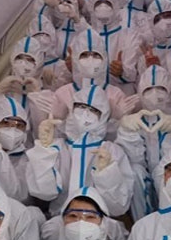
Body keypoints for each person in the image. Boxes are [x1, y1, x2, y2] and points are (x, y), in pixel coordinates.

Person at [30, 84, 134, 216]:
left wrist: (106, 174)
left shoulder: (112, 151)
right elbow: (44, 192)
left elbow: (119, 206)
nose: (85, 114)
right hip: (60, 218)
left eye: (94, 110)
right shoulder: (58, 148)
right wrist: (44, 151)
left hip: (99, 220)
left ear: (104, 116)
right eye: (80, 106)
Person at [116, 65, 171, 218]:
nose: (154, 94)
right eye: (148, 90)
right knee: (135, 172)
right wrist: (127, 131)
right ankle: (143, 222)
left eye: (161, 88)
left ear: (170, 92)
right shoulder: (137, 122)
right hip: (146, 183)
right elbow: (134, 159)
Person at [51, 27, 136, 125]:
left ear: (104, 59)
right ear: (75, 59)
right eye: (84, 55)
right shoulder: (62, 94)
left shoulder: (116, 95)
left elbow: (126, 132)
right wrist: (59, 120)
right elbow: (52, 131)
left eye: (96, 55)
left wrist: (116, 120)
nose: (90, 60)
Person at [85, 0, 143, 95]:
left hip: (123, 95)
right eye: (98, 3)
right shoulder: (87, 37)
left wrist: (122, 72)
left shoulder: (129, 35)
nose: (103, 6)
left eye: (107, 2)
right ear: (92, 7)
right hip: (93, 98)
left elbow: (133, 74)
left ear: (115, 6)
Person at [0, 94, 35, 202]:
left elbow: (18, 196)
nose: (13, 130)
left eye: (19, 125)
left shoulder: (27, 159)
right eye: (6, 123)